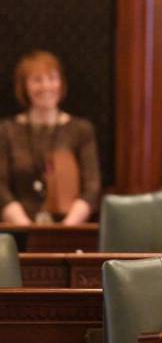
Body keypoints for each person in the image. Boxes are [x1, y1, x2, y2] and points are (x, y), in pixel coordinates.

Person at [0, 50, 101, 226]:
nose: (46, 86)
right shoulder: (7, 131)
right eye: (37, 80)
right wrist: (27, 228)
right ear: (24, 87)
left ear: (61, 84)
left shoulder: (81, 130)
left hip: (70, 230)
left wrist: (64, 229)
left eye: (52, 78)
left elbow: (91, 188)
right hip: (18, 231)